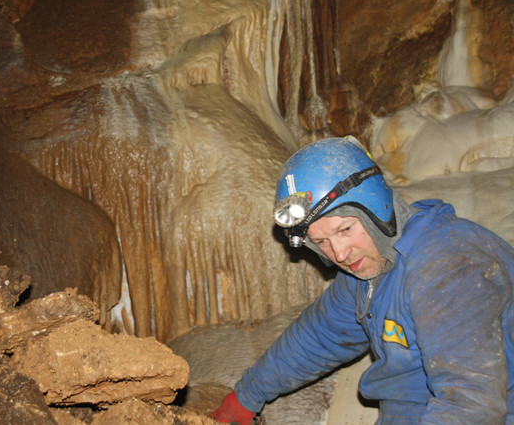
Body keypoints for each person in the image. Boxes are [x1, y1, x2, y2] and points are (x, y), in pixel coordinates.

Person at [211, 136, 514, 424]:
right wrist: (245, 397)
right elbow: (319, 337)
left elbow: (470, 405)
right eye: (322, 242)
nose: (339, 254)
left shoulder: (447, 268)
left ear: (375, 207)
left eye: (345, 230)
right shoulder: (370, 267)